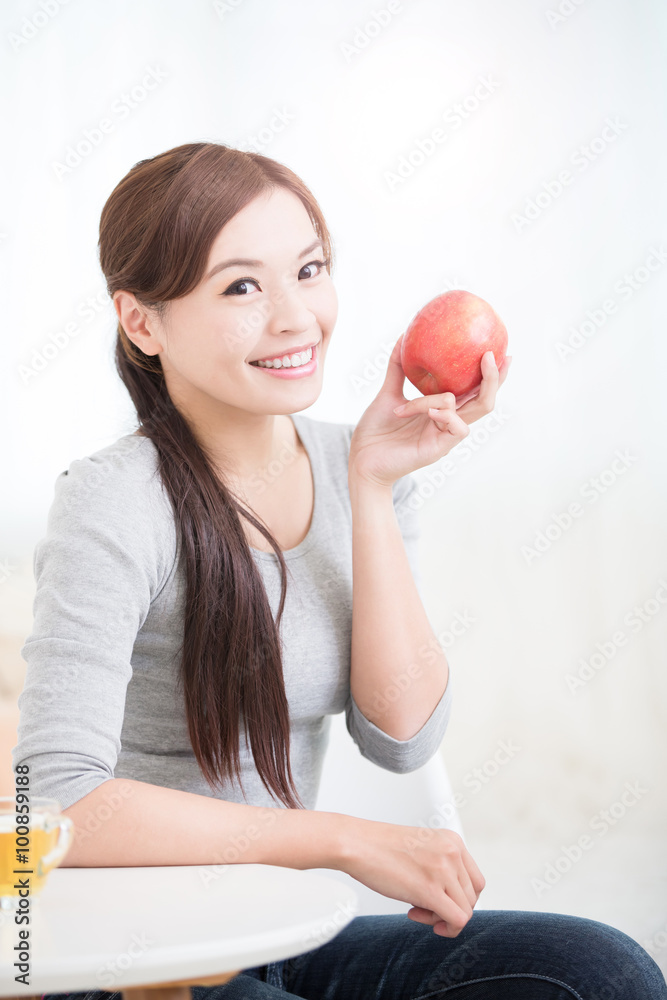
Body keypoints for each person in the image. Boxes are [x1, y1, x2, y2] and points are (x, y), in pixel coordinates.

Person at [14, 141, 665, 999]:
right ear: (141, 320)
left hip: (280, 932)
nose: (295, 318)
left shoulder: (353, 464)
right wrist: (341, 839)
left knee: (600, 972)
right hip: (135, 958)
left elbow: (400, 740)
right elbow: (53, 804)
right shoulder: (114, 500)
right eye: (241, 286)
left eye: (309, 270)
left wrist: (371, 483)